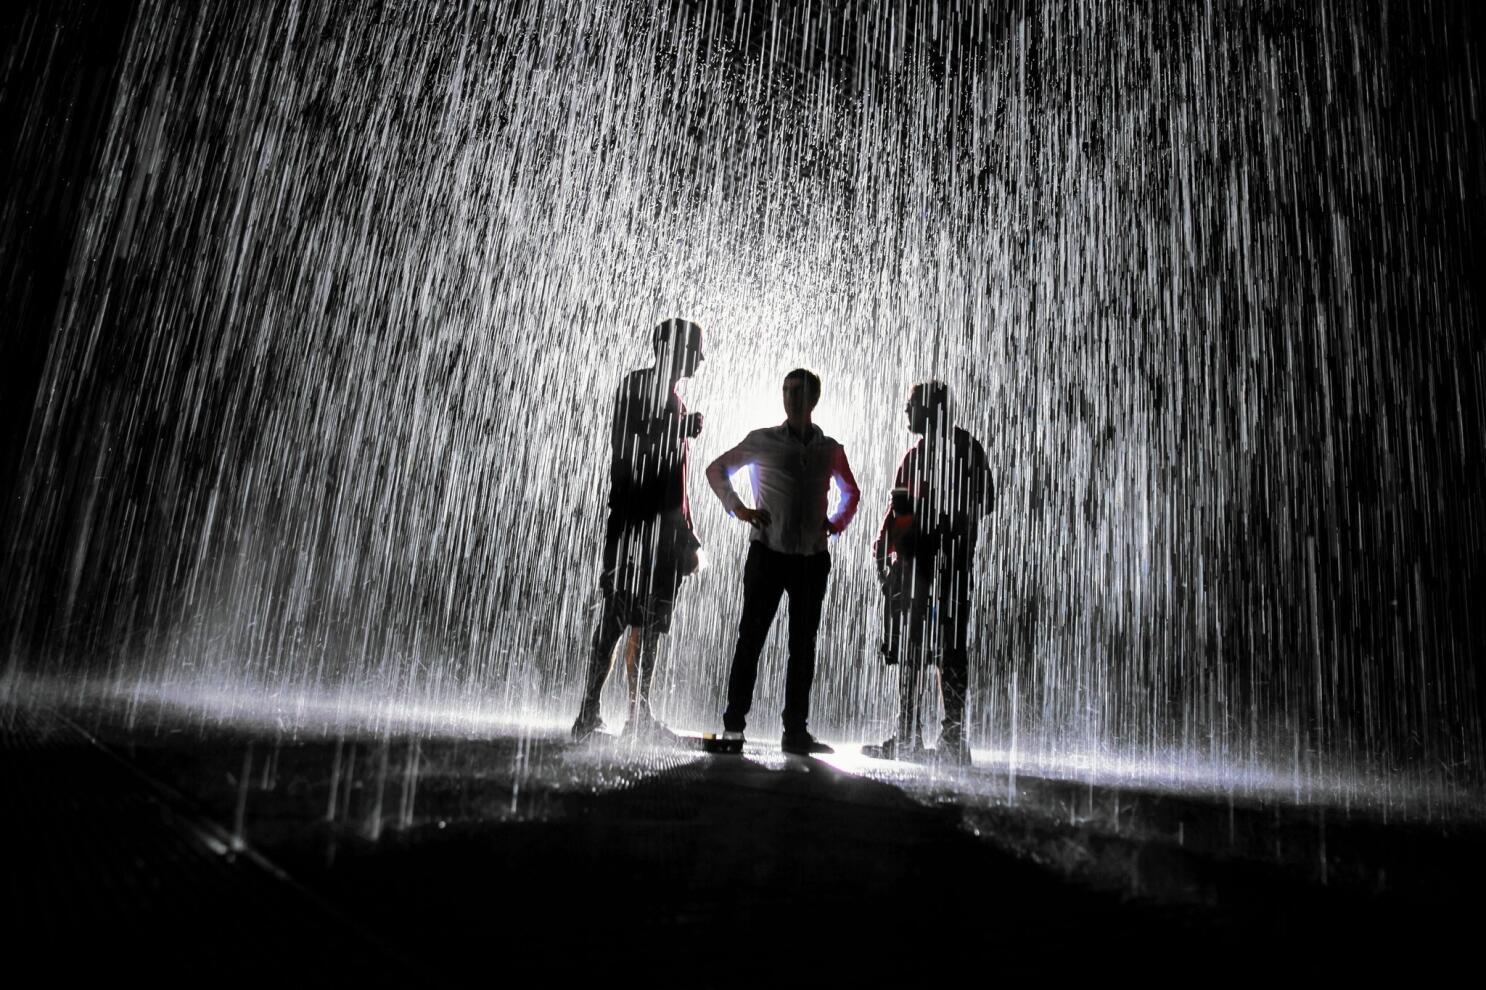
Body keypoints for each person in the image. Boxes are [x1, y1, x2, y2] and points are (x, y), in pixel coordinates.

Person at [705, 368, 860, 755]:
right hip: (769, 554)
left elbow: (852, 493)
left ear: (813, 398)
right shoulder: (763, 440)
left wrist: (835, 524)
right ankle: (734, 728)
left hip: (811, 558)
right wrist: (738, 508)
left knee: (802, 646)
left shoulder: (830, 448)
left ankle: (795, 732)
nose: (790, 397)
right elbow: (716, 469)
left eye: (798, 391)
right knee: (751, 640)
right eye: (786, 390)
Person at [571, 319, 705, 741]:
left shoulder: (676, 401)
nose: (700, 359)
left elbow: (674, 478)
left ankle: (637, 713)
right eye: (694, 350)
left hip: (662, 529)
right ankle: (590, 711)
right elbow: (628, 449)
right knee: (616, 615)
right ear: (669, 348)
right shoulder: (637, 387)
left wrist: (685, 528)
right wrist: (677, 431)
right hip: (634, 524)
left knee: (647, 623)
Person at [864, 381, 992, 765]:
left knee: (945, 649)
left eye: (911, 406)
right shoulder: (924, 454)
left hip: (941, 563)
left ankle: (944, 738)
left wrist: (942, 526)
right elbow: (898, 505)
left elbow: (984, 499)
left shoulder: (964, 449)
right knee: (915, 647)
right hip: (920, 564)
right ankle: (916, 735)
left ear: (930, 409)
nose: (905, 412)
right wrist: (887, 548)